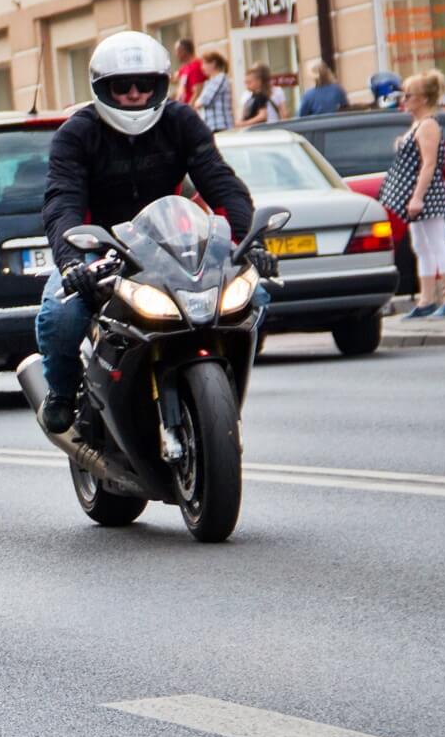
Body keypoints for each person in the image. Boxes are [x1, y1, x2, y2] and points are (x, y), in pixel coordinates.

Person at [36, 31, 272, 434]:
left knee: (257, 295)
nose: (133, 94)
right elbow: (62, 202)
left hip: (171, 244)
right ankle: (61, 392)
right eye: (121, 85)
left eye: (143, 84)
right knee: (61, 312)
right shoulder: (77, 134)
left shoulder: (180, 121)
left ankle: (224, 392)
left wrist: (251, 243)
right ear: (101, 87)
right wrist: (72, 259)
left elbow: (220, 183)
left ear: (159, 84)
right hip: (99, 248)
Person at [389, 71, 445, 318]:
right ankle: (426, 299)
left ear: (421, 98)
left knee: (437, 244)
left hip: (427, 196)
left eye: (408, 95)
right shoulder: (420, 124)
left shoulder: (428, 125)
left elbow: (430, 164)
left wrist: (418, 197)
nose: (404, 100)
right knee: (421, 246)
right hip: (420, 195)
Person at [196, 51, 234, 133]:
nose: (202, 67)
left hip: (220, 126)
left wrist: (197, 101)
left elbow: (203, 101)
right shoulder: (210, 82)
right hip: (211, 126)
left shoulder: (220, 78)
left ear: (213, 64)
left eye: (204, 64)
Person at [172, 38, 206, 105]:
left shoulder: (196, 66)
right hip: (183, 107)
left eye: (177, 51)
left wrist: (189, 109)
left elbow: (198, 91)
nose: (176, 54)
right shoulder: (185, 67)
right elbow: (175, 79)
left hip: (191, 110)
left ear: (184, 51)